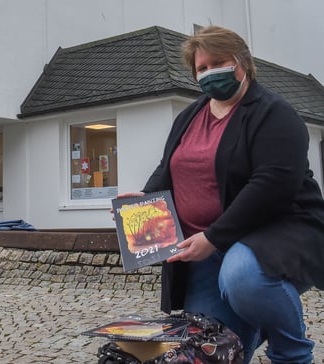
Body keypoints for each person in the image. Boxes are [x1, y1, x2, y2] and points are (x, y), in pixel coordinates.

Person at [117, 26, 324, 363]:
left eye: (219, 62)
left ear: (242, 63)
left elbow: (272, 186)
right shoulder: (190, 115)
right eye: (202, 68)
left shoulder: (275, 113)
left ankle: (291, 350)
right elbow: (170, 166)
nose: (210, 73)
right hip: (203, 253)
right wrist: (143, 199)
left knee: (243, 278)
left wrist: (214, 236)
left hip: (271, 236)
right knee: (214, 350)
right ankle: (258, 321)